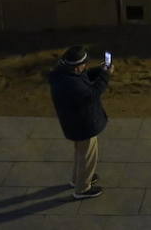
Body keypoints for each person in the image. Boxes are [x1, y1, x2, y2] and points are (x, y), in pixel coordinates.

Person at [47, 45, 112, 200]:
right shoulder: (72, 84)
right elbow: (92, 94)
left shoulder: (62, 75)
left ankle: (78, 178)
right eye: (83, 64)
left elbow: (84, 76)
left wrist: (100, 70)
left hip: (73, 122)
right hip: (83, 124)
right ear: (76, 67)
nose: (85, 67)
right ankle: (82, 188)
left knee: (80, 152)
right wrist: (105, 76)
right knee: (88, 154)